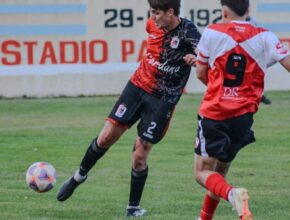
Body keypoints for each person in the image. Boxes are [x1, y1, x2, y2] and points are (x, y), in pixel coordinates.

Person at [56, 0, 200, 217]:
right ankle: (79, 176)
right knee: (105, 138)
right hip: (136, 88)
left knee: (140, 155)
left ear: (170, 12)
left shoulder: (189, 31)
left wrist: (196, 59)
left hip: (162, 100)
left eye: (156, 13)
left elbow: (208, 56)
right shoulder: (153, 25)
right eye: (151, 12)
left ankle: (132, 208)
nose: (152, 18)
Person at [194, 0, 290, 219]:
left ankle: (232, 193)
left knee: (202, 172)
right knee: (219, 173)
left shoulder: (212, 32)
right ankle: (205, 217)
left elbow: (200, 73)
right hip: (243, 117)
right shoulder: (265, 35)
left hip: (215, 113)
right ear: (248, 10)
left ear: (223, 11)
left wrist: (221, 90)